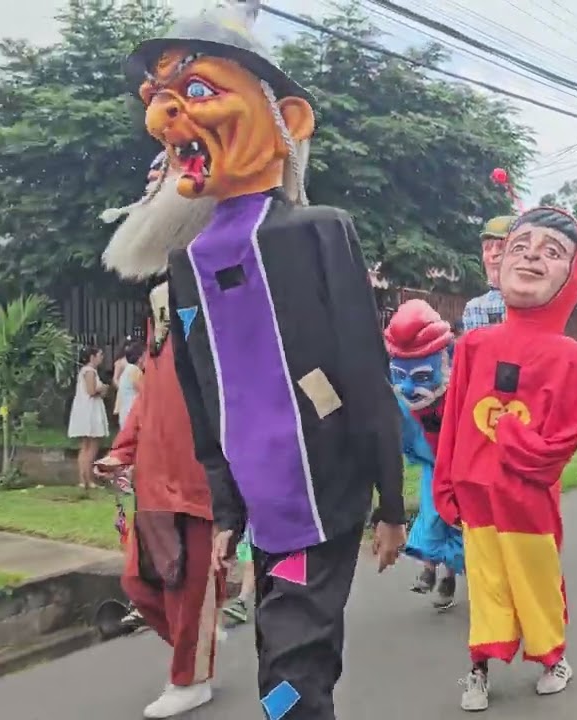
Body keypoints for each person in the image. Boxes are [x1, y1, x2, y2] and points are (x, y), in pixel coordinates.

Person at [127, 3, 407, 717]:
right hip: (262, 506)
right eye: (160, 97)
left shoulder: (320, 232)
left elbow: (364, 371)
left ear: (289, 120)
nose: (167, 115)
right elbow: (205, 394)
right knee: (286, 654)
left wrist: (391, 502)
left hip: (326, 494)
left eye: (197, 91)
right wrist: (227, 509)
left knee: (291, 666)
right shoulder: (187, 263)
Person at [434, 169, 577, 712]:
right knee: (485, 583)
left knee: (535, 583)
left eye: (552, 251)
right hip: (475, 492)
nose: (532, 256)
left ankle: (551, 656)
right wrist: (447, 482)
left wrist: (512, 439)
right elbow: (454, 421)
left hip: (528, 499)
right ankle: (478, 667)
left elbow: (566, 438)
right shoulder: (474, 345)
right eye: (521, 246)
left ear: (573, 274)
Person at [95, 148, 222, 717]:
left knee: (190, 586)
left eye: (160, 181)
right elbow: (153, 386)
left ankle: (191, 676)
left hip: (202, 472)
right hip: (154, 474)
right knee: (141, 584)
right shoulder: (163, 294)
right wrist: (123, 449)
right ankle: (200, 650)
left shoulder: (224, 279)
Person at [384, 299, 463, 611]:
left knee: (457, 522)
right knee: (432, 516)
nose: (406, 387)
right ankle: (429, 569)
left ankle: (448, 577)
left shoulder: (460, 393)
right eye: (399, 375)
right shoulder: (399, 403)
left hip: (461, 470)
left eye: (420, 377)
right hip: (433, 466)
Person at [460, 216, 515, 332]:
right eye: (487, 248)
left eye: (502, 247)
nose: (493, 253)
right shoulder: (474, 308)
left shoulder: (538, 302)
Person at [68, 346, 110, 491]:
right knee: (90, 446)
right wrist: (103, 388)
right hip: (90, 410)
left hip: (88, 409)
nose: (102, 357)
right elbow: (91, 390)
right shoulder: (89, 371)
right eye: (99, 355)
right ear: (92, 357)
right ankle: (86, 478)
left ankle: (85, 479)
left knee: (86, 446)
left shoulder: (88, 371)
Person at [116, 342, 145, 429]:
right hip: (132, 411)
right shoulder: (135, 370)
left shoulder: (128, 369)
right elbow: (143, 391)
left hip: (125, 410)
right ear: (140, 358)